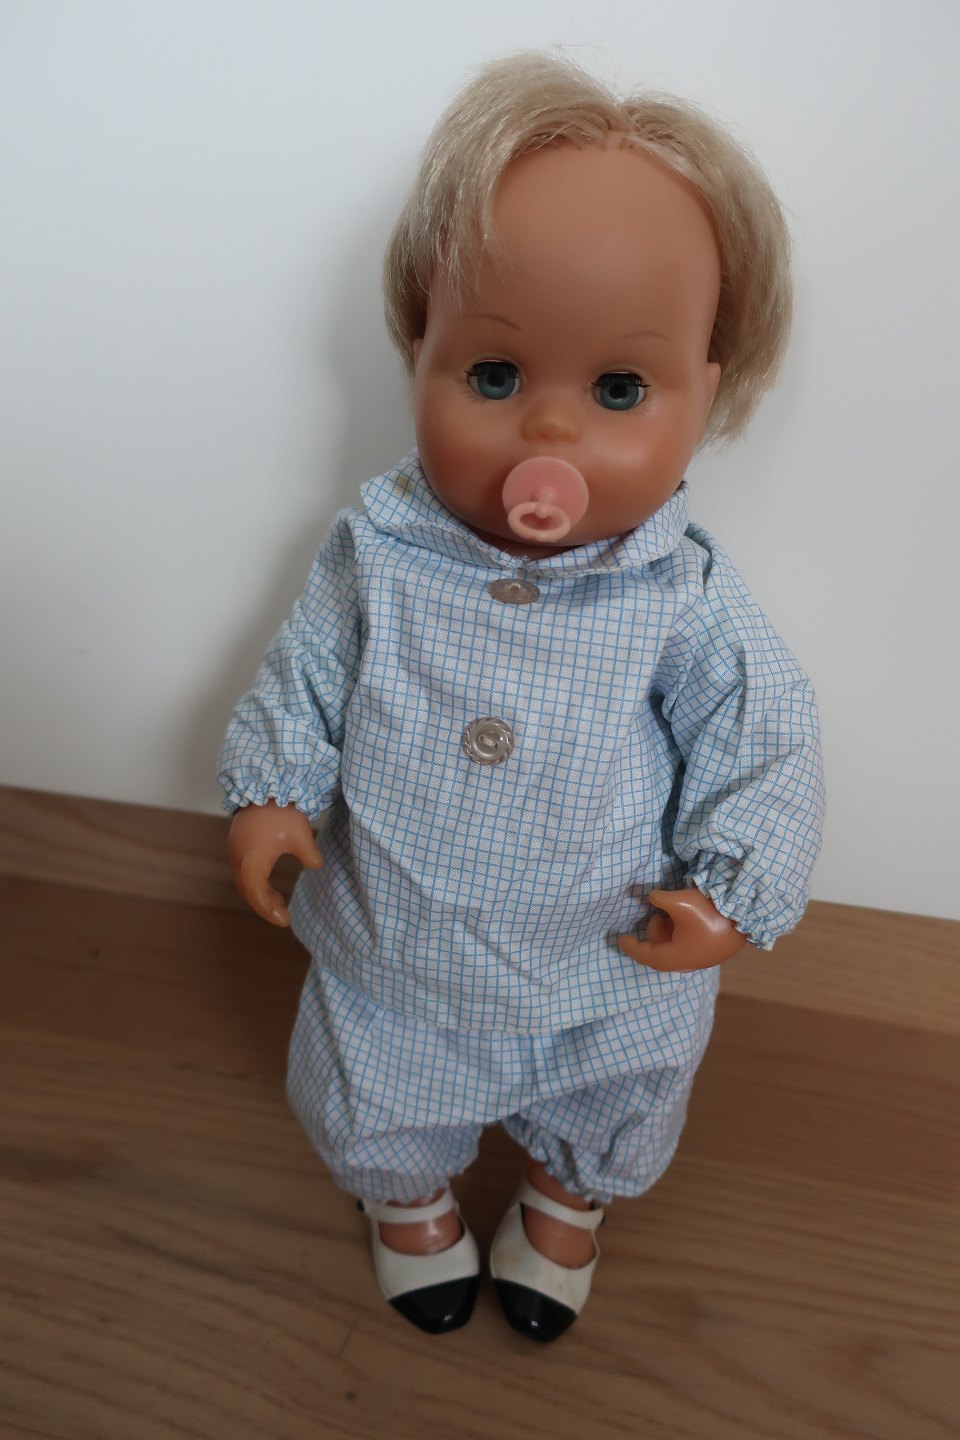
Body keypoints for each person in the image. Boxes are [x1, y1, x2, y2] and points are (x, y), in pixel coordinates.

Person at [218, 51, 825, 1342]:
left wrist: (734, 888)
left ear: (707, 391)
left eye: (619, 389)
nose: (550, 437)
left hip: (605, 954)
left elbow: (764, 739)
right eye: (494, 377)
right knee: (374, 1077)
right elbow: (306, 669)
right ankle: (406, 1197)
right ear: (419, 352)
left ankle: (566, 1196)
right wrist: (272, 790)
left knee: (626, 1073)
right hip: (399, 937)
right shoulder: (378, 553)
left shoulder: (682, 597)